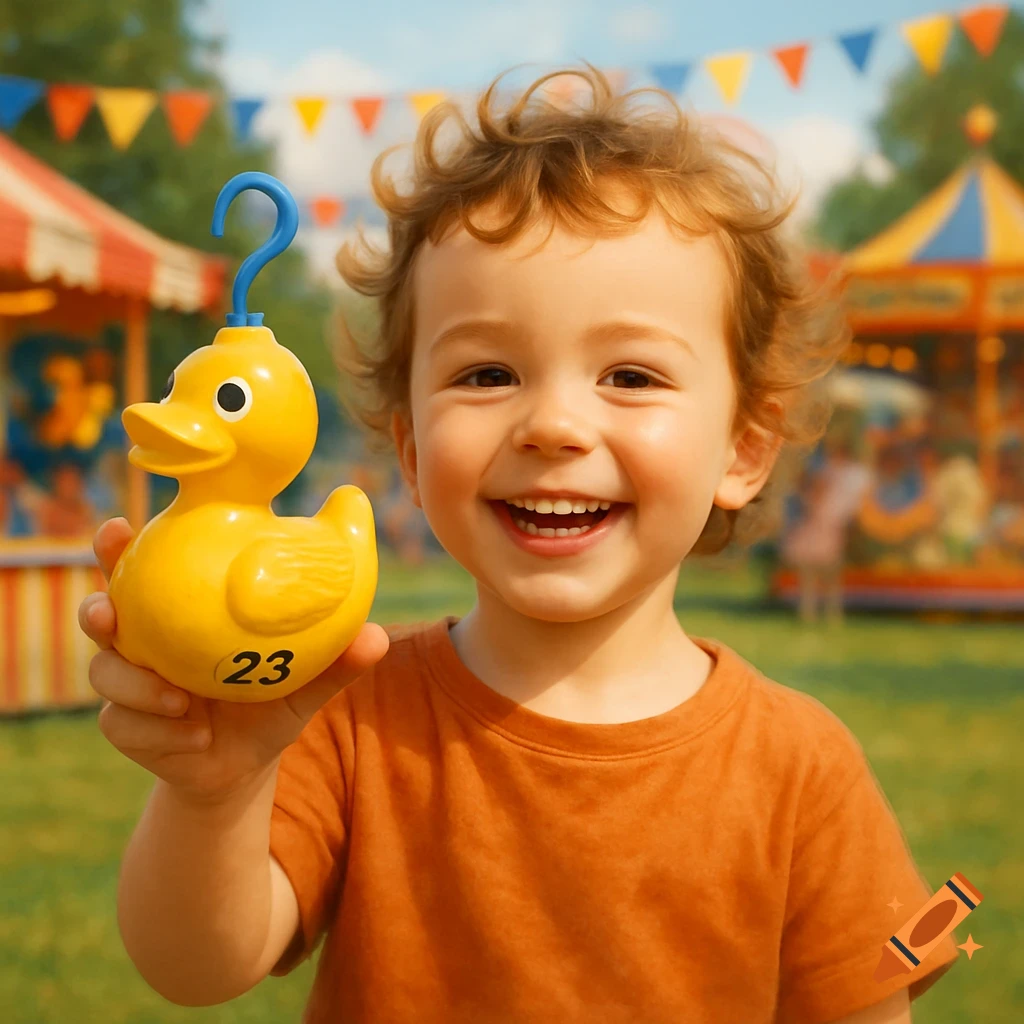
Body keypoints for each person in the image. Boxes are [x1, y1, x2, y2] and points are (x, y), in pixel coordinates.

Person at [78, 65, 956, 1023]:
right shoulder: (346, 709)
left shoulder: (803, 768)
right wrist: (213, 794)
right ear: (411, 453)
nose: (553, 425)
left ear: (744, 449)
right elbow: (194, 969)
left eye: (629, 375)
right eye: (489, 372)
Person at [782, 435, 871, 624]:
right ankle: (813, 612)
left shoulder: (835, 480)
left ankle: (825, 613)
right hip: (818, 536)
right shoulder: (821, 485)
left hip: (826, 537)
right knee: (813, 578)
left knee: (826, 578)